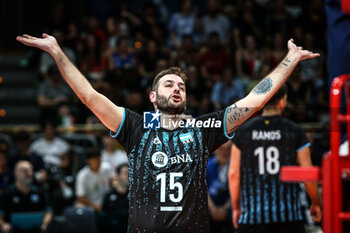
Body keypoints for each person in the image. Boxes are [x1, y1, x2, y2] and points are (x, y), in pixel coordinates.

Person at [17, 33, 319, 232]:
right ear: (153, 96)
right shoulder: (135, 127)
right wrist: (57, 51)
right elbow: (89, 97)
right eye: (169, 84)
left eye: (182, 86)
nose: (177, 89)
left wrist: (290, 59)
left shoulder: (204, 128)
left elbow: (255, 101)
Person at [228, 86, 322, 233]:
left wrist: (236, 208)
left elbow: (234, 174)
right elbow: (307, 172)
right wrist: (315, 202)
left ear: (262, 100)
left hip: (253, 218)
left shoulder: (243, 132)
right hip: (288, 217)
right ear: (283, 101)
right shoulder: (294, 130)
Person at [0, 161, 53, 233]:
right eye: (25, 170)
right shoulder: (7, 193)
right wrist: (3, 225)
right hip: (13, 230)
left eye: (31, 170)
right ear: (16, 174)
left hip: (36, 230)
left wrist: (45, 223)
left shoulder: (40, 192)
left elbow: (48, 212)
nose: (30, 173)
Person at [207, 141, 233, 233]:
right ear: (215, 149)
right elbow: (202, 190)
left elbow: (238, 189)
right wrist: (212, 208)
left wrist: (226, 208)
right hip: (210, 210)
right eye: (222, 149)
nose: (224, 152)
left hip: (230, 209)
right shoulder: (208, 166)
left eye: (228, 149)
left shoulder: (235, 166)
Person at [75, 148, 111, 212]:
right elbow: (80, 197)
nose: (99, 162)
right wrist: (94, 206)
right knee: (79, 206)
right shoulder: (82, 175)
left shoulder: (107, 168)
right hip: (90, 204)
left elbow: (113, 181)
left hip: (107, 201)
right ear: (88, 161)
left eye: (99, 159)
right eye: (96, 160)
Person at [100, 163, 129, 233]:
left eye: (130, 173)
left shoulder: (135, 195)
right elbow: (104, 217)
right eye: (126, 173)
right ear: (118, 176)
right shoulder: (109, 195)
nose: (129, 176)